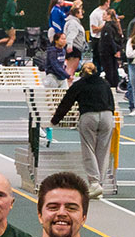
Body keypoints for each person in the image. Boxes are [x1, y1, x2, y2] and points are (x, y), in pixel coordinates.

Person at [51, 62, 119, 197]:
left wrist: (55, 120)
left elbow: (66, 102)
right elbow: (111, 102)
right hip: (107, 116)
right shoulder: (104, 83)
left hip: (89, 116)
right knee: (103, 151)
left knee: (89, 149)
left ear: (81, 72)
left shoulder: (79, 84)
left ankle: (94, 182)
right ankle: (100, 184)